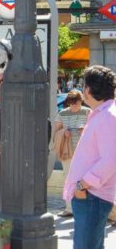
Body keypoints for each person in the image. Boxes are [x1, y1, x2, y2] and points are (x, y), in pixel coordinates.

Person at [63, 65, 116, 249]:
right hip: (91, 195)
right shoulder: (103, 113)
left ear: (87, 89)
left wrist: (82, 184)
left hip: (92, 196)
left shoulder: (108, 116)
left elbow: (111, 159)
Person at [54, 90, 90, 218]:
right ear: (69, 102)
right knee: (68, 180)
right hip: (68, 151)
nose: (75, 105)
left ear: (82, 101)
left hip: (85, 153)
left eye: (78, 102)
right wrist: (64, 133)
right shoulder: (62, 113)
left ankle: (85, 208)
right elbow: (55, 132)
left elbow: (95, 130)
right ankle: (69, 208)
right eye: (73, 103)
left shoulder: (87, 112)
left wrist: (84, 130)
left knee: (85, 181)